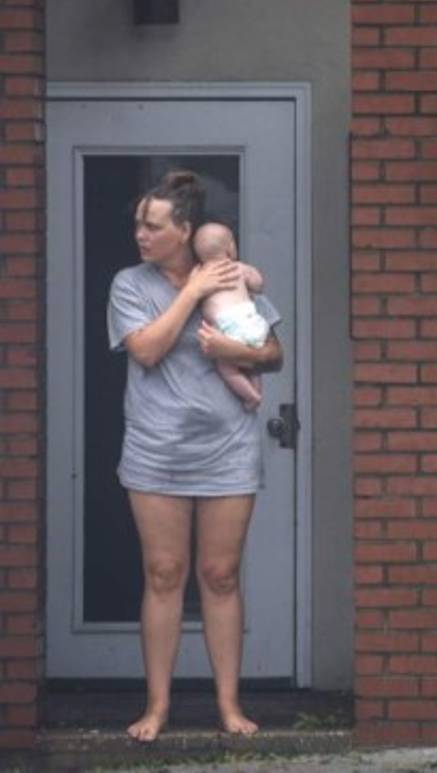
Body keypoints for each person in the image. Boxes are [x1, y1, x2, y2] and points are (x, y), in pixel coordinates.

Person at [107, 170, 283, 742]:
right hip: (156, 451)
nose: (140, 233)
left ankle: (228, 707)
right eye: (139, 223)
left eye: (151, 225)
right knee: (164, 574)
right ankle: (156, 707)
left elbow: (272, 351)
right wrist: (191, 291)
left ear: (183, 230)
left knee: (220, 574)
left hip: (227, 450)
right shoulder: (130, 285)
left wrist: (235, 348)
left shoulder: (232, 273)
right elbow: (148, 350)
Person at [192, 222, 270, 411]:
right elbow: (258, 285)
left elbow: (191, 292)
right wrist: (252, 276)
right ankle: (257, 389)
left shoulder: (200, 273)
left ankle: (251, 396)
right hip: (251, 321)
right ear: (231, 248)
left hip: (227, 327)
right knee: (253, 363)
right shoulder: (239, 268)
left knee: (226, 367)